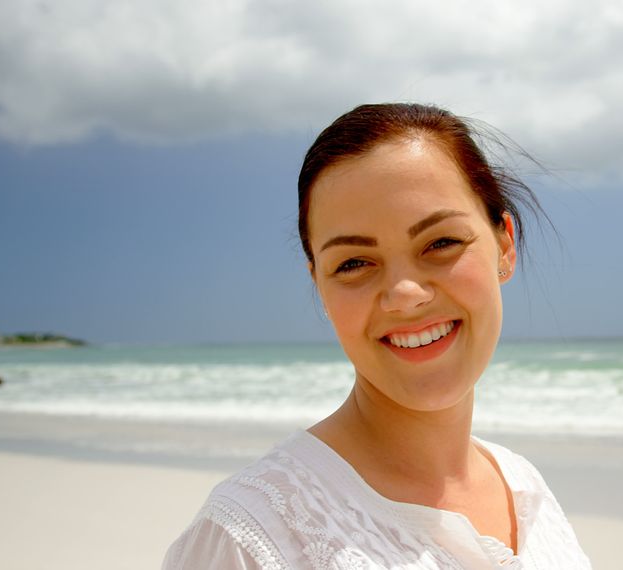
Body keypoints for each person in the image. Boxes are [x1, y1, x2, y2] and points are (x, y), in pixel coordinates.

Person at [163, 103, 592, 569]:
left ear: (504, 245)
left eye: (441, 243)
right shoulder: (252, 534)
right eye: (352, 263)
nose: (405, 295)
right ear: (319, 286)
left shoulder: (526, 489)